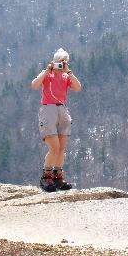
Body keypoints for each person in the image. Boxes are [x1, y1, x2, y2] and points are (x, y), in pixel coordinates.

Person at [31, 48, 82, 192]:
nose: (61, 65)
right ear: (53, 62)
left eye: (63, 62)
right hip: (48, 109)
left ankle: (58, 176)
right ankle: (46, 177)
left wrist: (69, 72)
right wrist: (47, 71)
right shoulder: (48, 75)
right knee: (54, 147)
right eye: (58, 62)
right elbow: (34, 85)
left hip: (62, 109)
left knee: (61, 148)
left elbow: (78, 88)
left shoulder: (66, 77)